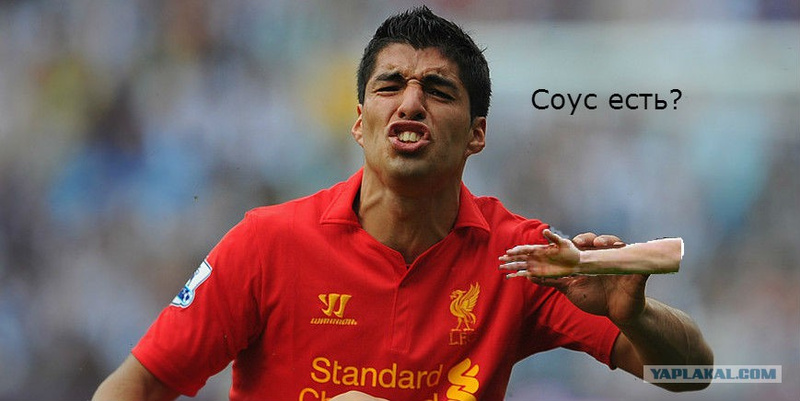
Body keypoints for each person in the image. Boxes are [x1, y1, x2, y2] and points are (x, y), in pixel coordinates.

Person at [92, 6, 713, 401]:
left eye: (438, 90)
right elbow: (137, 386)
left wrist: (635, 316)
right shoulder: (266, 243)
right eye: (390, 85)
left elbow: (693, 375)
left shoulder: (523, 258)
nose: (410, 103)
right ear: (359, 122)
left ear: (477, 134)